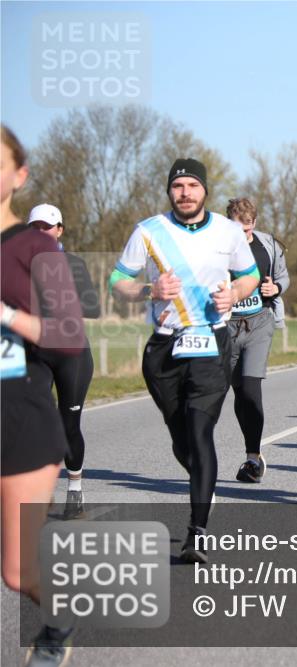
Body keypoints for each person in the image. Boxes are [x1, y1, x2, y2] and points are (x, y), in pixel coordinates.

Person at [110, 158, 260, 563]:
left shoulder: (228, 231)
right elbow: (117, 283)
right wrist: (148, 290)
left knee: (199, 431)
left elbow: (249, 275)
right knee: (181, 440)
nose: (186, 193)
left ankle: (198, 532)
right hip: (164, 348)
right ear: (169, 191)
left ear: (204, 190)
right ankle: (203, 486)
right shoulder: (148, 231)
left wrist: (234, 294)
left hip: (212, 342)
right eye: (178, 186)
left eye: (193, 185)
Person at [2, 125, 86, 666]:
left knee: (18, 571)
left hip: (19, 416)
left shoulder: (37, 246)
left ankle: (58, 622)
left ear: (18, 176)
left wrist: (7, 316)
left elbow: (71, 334)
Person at [27, 204, 100, 520]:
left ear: (59, 231)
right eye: (36, 227)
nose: (42, 233)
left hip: (72, 355)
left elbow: (93, 308)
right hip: (35, 354)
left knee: (68, 425)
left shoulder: (74, 264)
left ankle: (74, 491)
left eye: (48, 227)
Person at [224, 198, 289, 483]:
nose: (245, 235)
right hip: (227, 327)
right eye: (239, 229)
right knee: (239, 393)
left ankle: (252, 457)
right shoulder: (216, 248)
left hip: (260, 321)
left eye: (249, 228)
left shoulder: (268, 245)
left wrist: (276, 287)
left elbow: (284, 278)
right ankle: (253, 454)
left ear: (255, 223)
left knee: (251, 389)